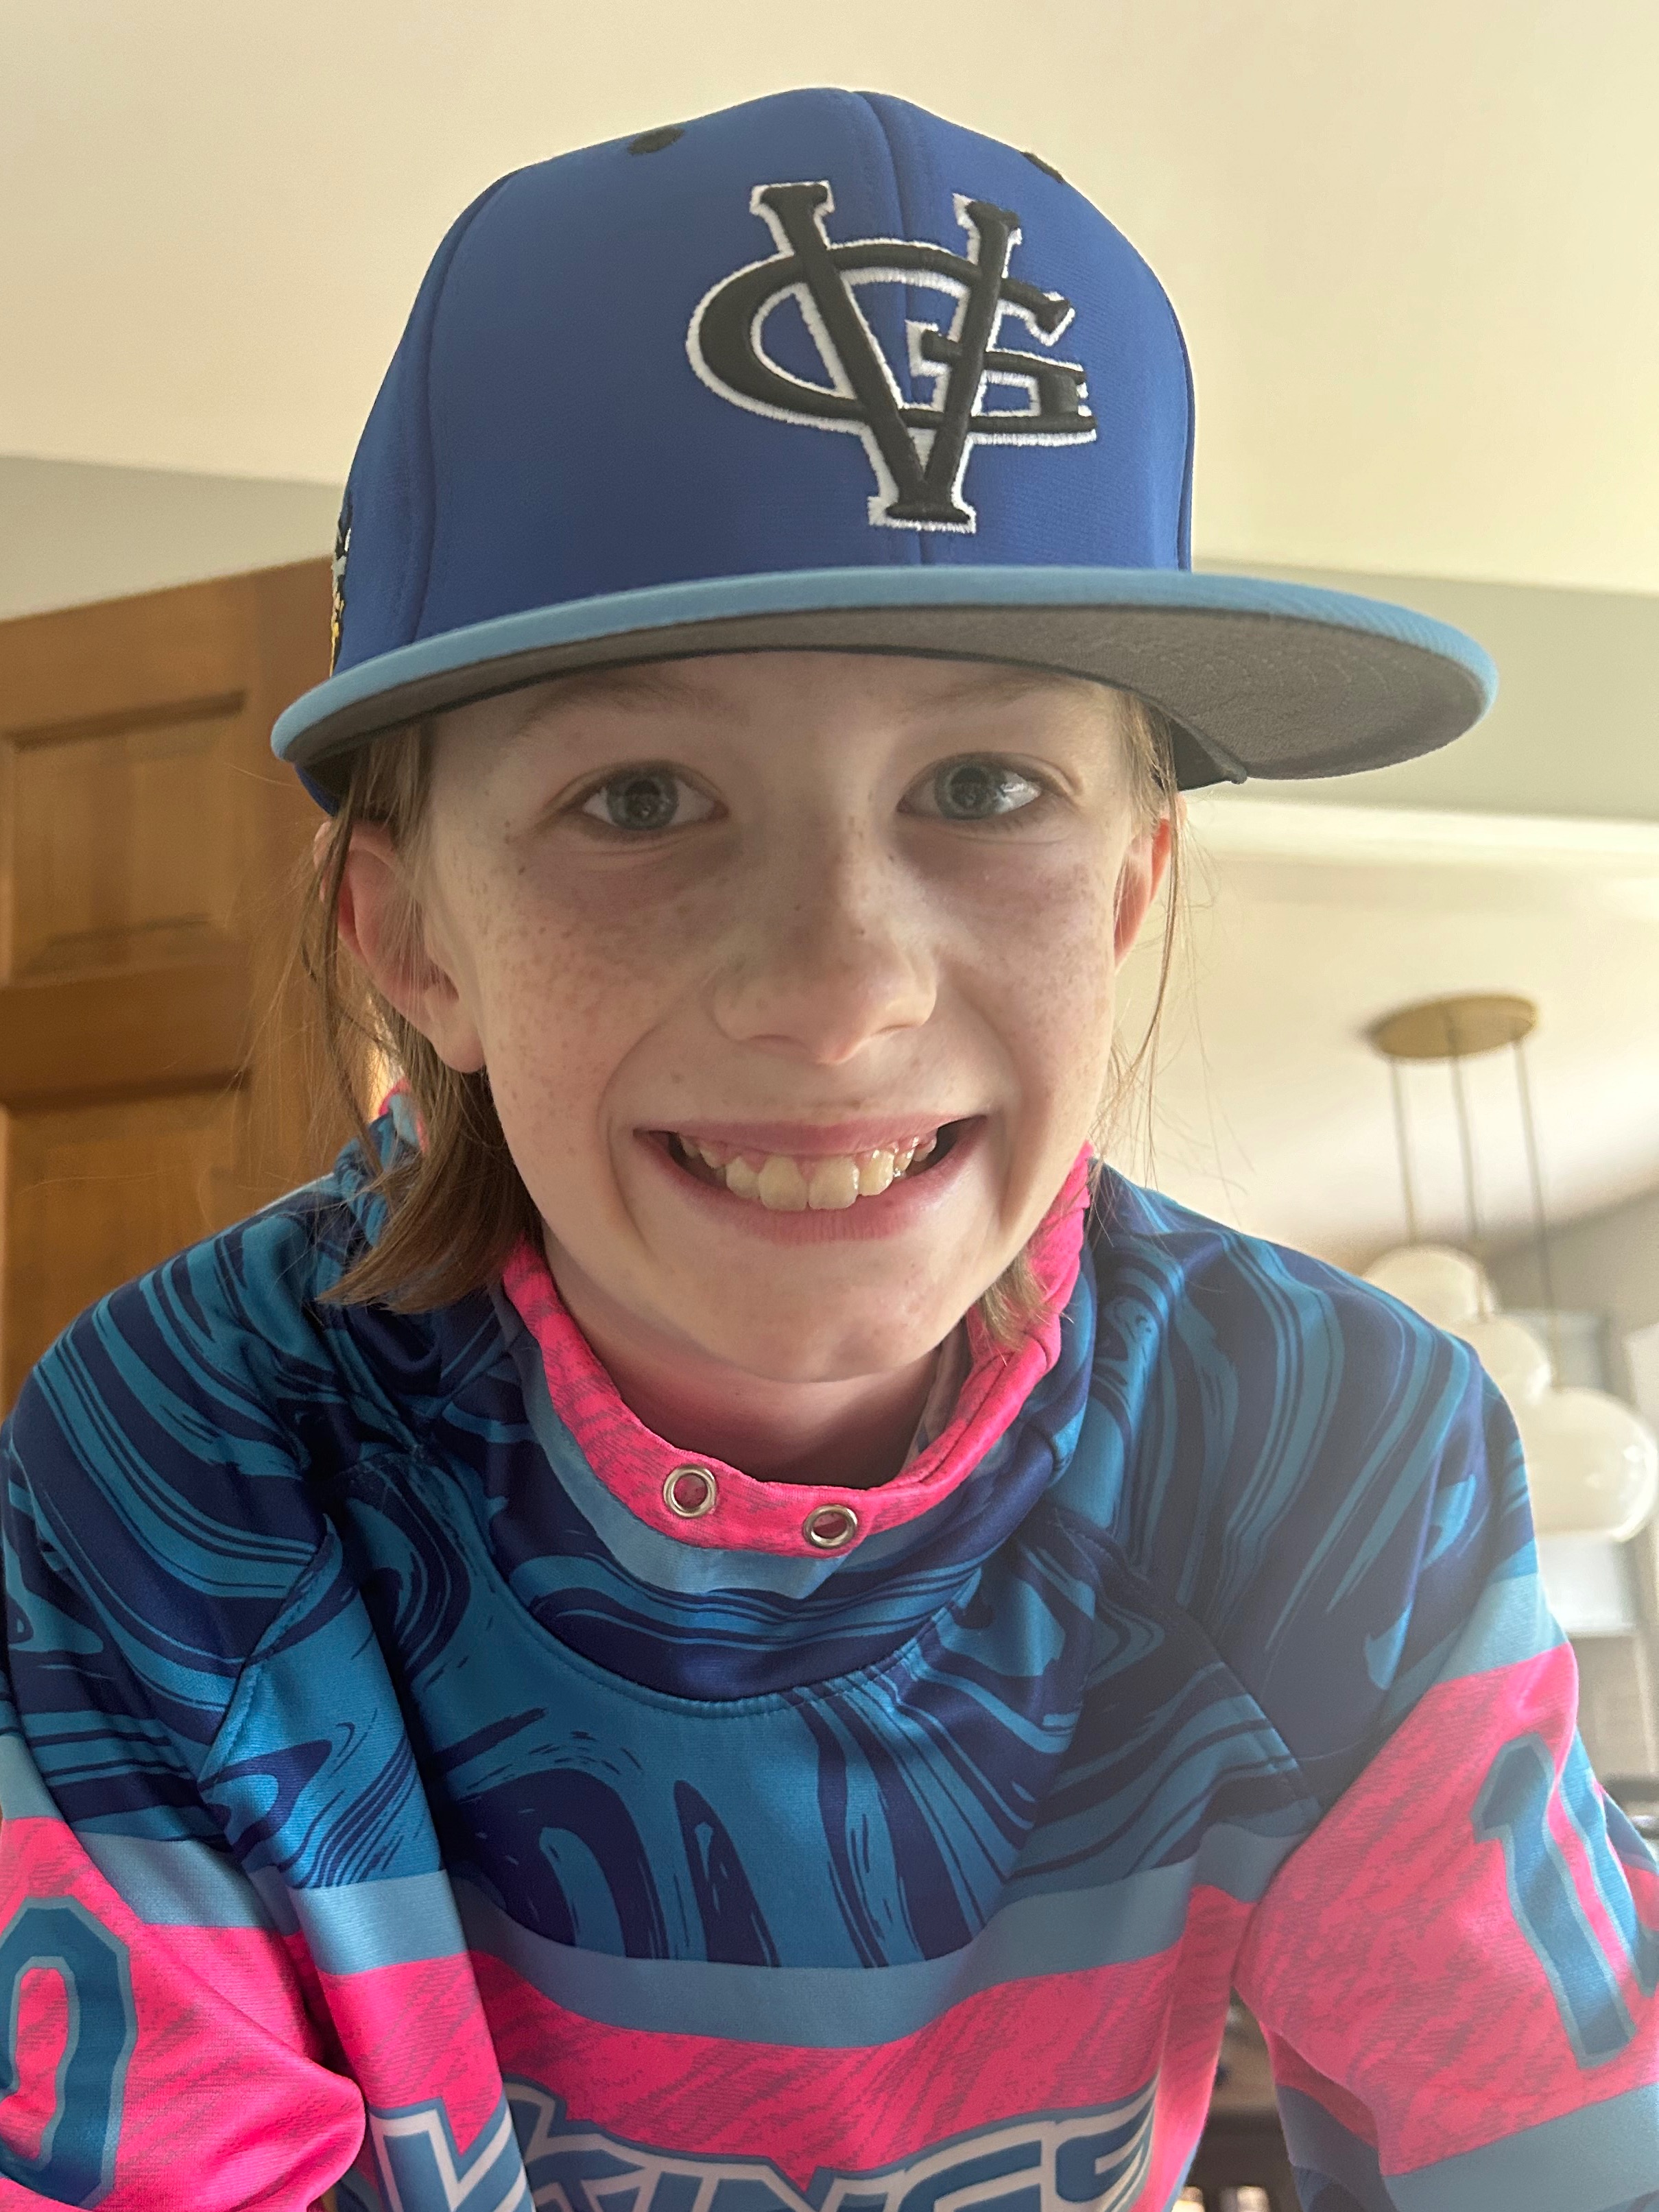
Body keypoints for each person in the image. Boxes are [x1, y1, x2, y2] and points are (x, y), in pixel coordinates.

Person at [0, 85, 1653, 2212]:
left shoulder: (1325, 1445)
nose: (841, 989)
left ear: (1128, 886)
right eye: (637, 800)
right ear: (412, 935)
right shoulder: (175, 1467)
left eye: (981, 788)